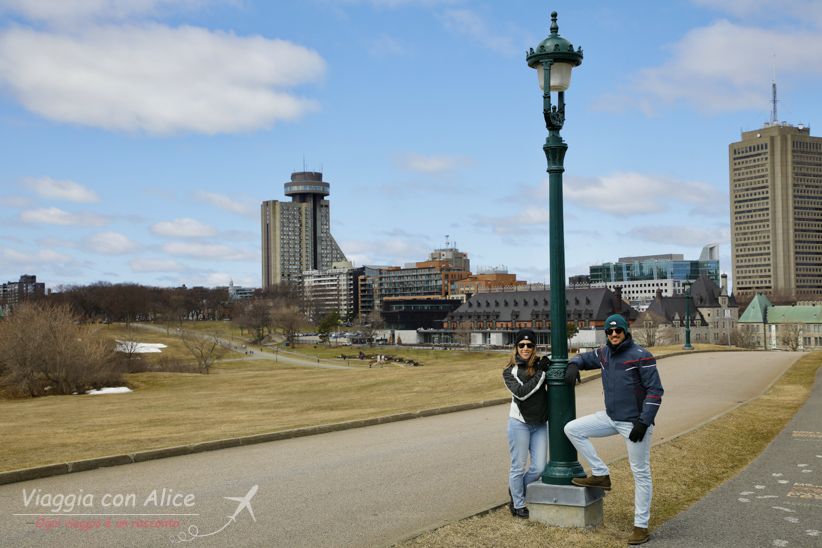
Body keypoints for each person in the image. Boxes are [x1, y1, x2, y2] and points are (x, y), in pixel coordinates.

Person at [563, 314, 663, 545]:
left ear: (625, 332)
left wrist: (643, 421)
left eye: (618, 331)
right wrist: (573, 363)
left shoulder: (642, 356)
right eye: (610, 332)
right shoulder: (604, 353)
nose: (614, 335)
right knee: (572, 429)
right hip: (610, 417)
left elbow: (655, 391)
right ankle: (600, 473)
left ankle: (641, 527)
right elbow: (585, 357)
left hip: (635, 424)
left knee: (640, 473)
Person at [502, 329, 550, 519]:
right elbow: (522, 393)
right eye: (522, 345)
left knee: (539, 468)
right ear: (516, 347)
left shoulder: (540, 365)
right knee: (518, 467)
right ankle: (518, 504)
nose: (526, 348)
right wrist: (541, 373)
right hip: (519, 423)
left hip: (539, 424)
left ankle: (516, 490)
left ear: (534, 347)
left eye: (530, 345)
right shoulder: (509, 371)